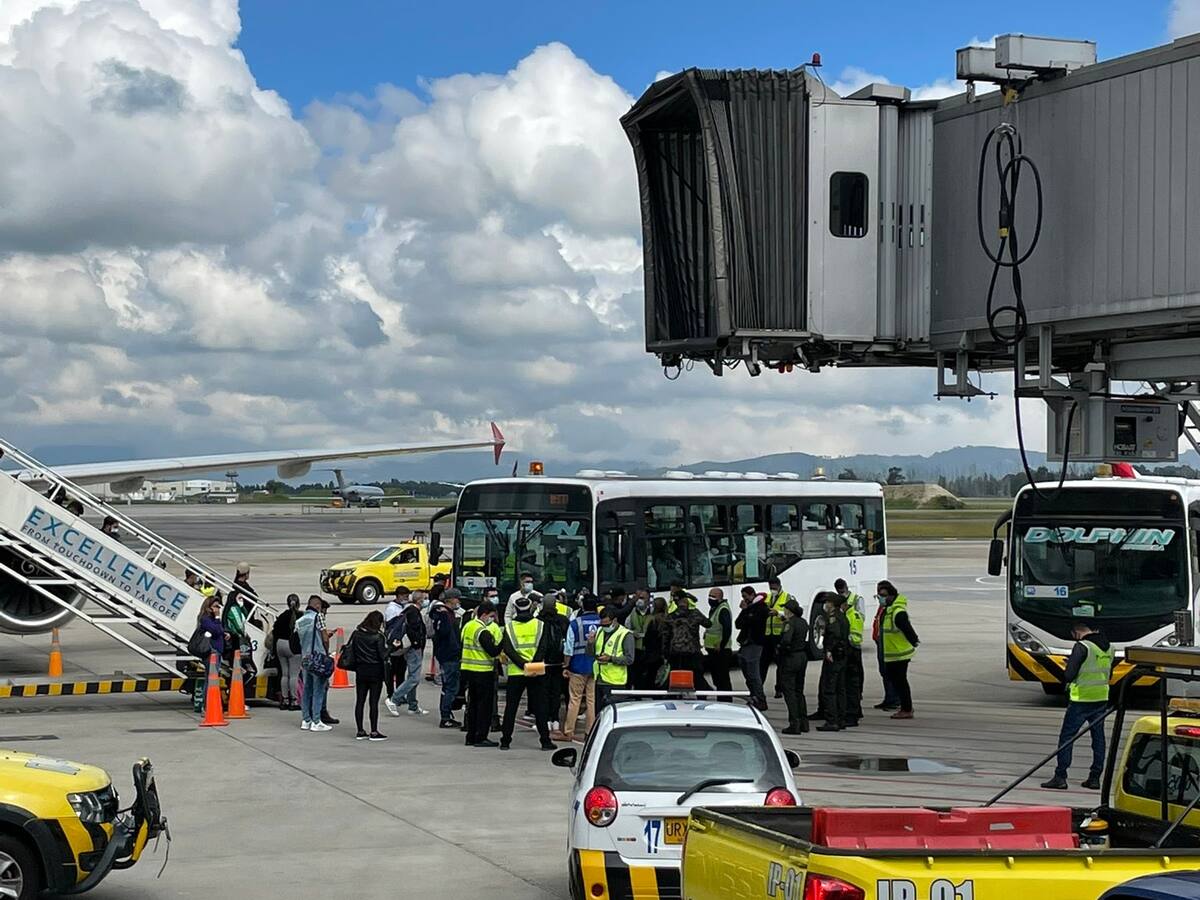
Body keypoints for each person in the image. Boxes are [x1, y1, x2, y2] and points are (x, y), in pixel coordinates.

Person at [1041, 622, 1113, 791]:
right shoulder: (1109, 647)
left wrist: (1069, 665)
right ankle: (1095, 778)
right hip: (1101, 698)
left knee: (1067, 738)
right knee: (1098, 739)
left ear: (1077, 631)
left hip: (1081, 700)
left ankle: (1060, 776)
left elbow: (1069, 674)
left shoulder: (1082, 646)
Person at [499, 594, 556, 751]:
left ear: (516, 609)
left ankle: (505, 741)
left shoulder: (509, 627)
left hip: (516, 672)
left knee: (511, 707)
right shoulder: (540, 625)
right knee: (540, 707)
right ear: (531, 608)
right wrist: (532, 664)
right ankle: (545, 741)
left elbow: (508, 650)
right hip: (536, 671)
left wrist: (522, 664)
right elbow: (544, 647)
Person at [557, 594, 601, 742]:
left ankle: (569, 731)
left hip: (577, 665)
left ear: (582, 606)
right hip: (596, 665)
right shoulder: (602, 622)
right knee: (591, 700)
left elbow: (568, 648)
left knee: (574, 699)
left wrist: (566, 665)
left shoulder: (575, 623)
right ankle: (590, 732)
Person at [460, 600, 503, 747]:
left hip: (468, 670)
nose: (491, 618)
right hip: (483, 672)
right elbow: (493, 651)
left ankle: (471, 735)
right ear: (484, 614)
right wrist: (503, 642)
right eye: (490, 616)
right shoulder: (482, 631)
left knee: (472, 705)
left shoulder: (468, 626)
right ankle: (481, 737)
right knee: (484, 707)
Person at [877, 580, 919, 719]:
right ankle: (905, 707)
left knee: (900, 682)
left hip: (899, 654)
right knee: (897, 681)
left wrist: (914, 641)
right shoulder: (889, 609)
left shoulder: (897, 612)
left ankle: (906, 708)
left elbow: (908, 630)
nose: (880, 598)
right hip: (893, 654)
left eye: (883, 595)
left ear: (891, 595)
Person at [385, 591, 429, 717]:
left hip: (409, 647)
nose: (427, 601)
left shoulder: (407, 610)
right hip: (413, 648)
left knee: (412, 676)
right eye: (425, 599)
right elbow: (414, 630)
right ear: (419, 601)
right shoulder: (414, 613)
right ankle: (394, 699)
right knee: (414, 678)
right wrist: (417, 644)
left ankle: (413, 705)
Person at [348, 610, 389, 741]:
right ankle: (374, 731)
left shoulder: (357, 634)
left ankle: (360, 730)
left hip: (361, 670)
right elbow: (383, 655)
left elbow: (351, 650)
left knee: (360, 701)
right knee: (373, 702)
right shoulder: (378, 636)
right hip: (375, 671)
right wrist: (393, 647)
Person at [296, 595, 333, 732]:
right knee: (319, 689)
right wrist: (326, 652)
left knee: (307, 689)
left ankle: (306, 719)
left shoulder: (300, 621)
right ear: (317, 605)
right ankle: (316, 721)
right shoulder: (318, 617)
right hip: (318, 657)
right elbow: (324, 638)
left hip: (305, 658)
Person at [430, 588, 464, 729]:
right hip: (450, 655)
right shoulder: (445, 615)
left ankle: (447, 714)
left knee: (448, 686)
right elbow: (445, 634)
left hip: (445, 654)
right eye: (457, 598)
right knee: (450, 687)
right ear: (450, 600)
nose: (459, 601)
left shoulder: (444, 614)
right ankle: (445, 716)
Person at [817, 591, 850, 732]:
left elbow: (835, 634)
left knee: (829, 688)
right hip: (842, 656)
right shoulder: (843, 617)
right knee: (840, 688)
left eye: (828, 602)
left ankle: (832, 720)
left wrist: (829, 650)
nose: (826, 605)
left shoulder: (833, 618)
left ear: (832, 604)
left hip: (834, 657)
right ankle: (841, 719)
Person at [777, 598, 811, 734]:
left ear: (789, 611)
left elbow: (786, 640)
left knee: (789, 691)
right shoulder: (803, 622)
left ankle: (794, 723)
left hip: (791, 658)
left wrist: (780, 649)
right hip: (802, 656)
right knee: (799, 691)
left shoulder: (789, 623)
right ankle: (804, 722)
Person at [835, 580, 865, 727]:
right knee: (851, 684)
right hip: (850, 649)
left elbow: (855, 633)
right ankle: (855, 710)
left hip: (852, 650)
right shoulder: (847, 614)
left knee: (852, 684)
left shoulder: (853, 613)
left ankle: (853, 713)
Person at [594, 605, 635, 712]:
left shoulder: (625, 635)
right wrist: (590, 643)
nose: (604, 627)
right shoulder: (600, 631)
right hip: (599, 679)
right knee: (599, 713)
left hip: (615, 682)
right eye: (602, 624)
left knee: (613, 713)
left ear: (615, 620)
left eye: (607, 624)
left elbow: (630, 659)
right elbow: (591, 653)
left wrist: (610, 659)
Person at [666, 594, 712, 690]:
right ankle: (702, 696)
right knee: (697, 676)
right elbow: (708, 623)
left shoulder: (670, 617)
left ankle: (677, 697)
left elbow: (666, 636)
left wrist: (666, 653)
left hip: (676, 652)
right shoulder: (695, 614)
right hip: (693, 651)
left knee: (676, 678)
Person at [538, 593, 570, 730]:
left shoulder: (538, 621)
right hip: (559, 662)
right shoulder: (563, 620)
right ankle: (555, 719)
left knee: (543, 692)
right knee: (556, 692)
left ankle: (545, 719)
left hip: (543, 662)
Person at [735, 586, 769, 710]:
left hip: (755, 643)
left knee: (753, 674)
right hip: (745, 643)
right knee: (747, 673)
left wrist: (746, 611)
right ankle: (754, 696)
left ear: (752, 595)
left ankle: (760, 699)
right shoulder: (748, 609)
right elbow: (738, 624)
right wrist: (744, 611)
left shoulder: (761, 608)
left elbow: (753, 621)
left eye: (745, 596)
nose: (744, 599)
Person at [871, 588, 902, 712]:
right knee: (884, 673)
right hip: (881, 643)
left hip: (889, 646)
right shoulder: (882, 608)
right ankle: (889, 698)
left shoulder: (893, 610)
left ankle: (894, 700)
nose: (879, 598)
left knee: (891, 674)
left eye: (882, 595)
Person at [762, 576, 792, 698]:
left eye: (774, 587)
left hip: (780, 635)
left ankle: (779, 689)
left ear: (779, 586)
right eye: (770, 587)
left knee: (781, 664)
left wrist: (778, 613)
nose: (772, 589)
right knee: (763, 663)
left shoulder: (787, 597)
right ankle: (759, 689)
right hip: (768, 635)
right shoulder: (768, 597)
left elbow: (790, 615)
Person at [271, 594, 302, 710]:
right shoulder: (300, 616)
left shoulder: (282, 616)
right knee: (294, 675)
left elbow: (275, 631)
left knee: (284, 674)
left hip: (280, 644)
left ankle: (284, 699)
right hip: (293, 645)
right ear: (298, 603)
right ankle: (294, 701)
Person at [703, 588, 734, 697]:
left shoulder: (723, 609)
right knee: (717, 678)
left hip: (721, 650)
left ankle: (726, 700)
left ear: (720, 597)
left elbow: (727, 629)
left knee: (722, 678)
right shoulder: (715, 608)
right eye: (709, 596)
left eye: (713, 596)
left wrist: (721, 644)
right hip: (713, 649)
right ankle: (722, 697)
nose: (710, 598)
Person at [196, 595, 224, 713]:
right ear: (209, 607)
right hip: (211, 652)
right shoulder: (205, 619)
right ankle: (207, 706)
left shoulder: (211, 619)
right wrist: (217, 617)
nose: (218, 609)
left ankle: (209, 705)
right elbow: (216, 630)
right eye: (215, 606)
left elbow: (220, 630)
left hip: (217, 651)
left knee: (211, 678)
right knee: (211, 679)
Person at [625, 591, 652, 688]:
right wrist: (633, 633)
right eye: (639, 598)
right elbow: (626, 629)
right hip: (635, 649)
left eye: (643, 598)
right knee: (635, 673)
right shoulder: (631, 613)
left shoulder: (652, 613)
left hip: (649, 648)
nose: (640, 601)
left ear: (648, 600)